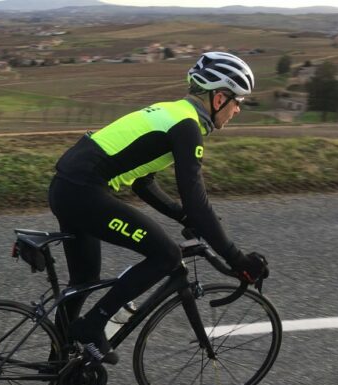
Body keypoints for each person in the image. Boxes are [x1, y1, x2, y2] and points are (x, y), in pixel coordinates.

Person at [48, 51, 268, 365]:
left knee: (83, 279)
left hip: (66, 187)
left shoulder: (171, 111)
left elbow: (143, 182)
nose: (237, 109)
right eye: (237, 101)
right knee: (166, 255)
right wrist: (236, 258)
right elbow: (196, 197)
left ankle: (57, 359)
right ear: (219, 97)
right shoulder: (187, 127)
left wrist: (183, 216)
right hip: (84, 191)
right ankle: (93, 326)